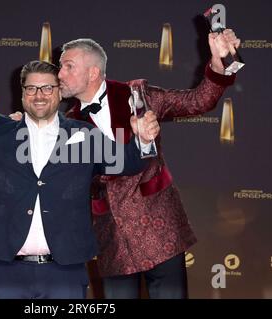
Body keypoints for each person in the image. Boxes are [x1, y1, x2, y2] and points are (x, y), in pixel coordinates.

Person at [0, 60, 160, 299]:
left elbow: (127, 163)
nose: (39, 95)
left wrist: (142, 140)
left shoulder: (84, 134)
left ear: (59, 92)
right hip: (5, 271)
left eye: (47, 88)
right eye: (31, 88)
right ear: (23, 93)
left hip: (64, 271)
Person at [56, 31, 240, 299]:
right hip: (112, 239)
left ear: (93, 71)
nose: (60, 73)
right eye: (61, 67)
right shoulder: (67, 125)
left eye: (68, 66)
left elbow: (199, 101)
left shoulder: (138, 96)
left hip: (160, 229)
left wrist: (220, 61)